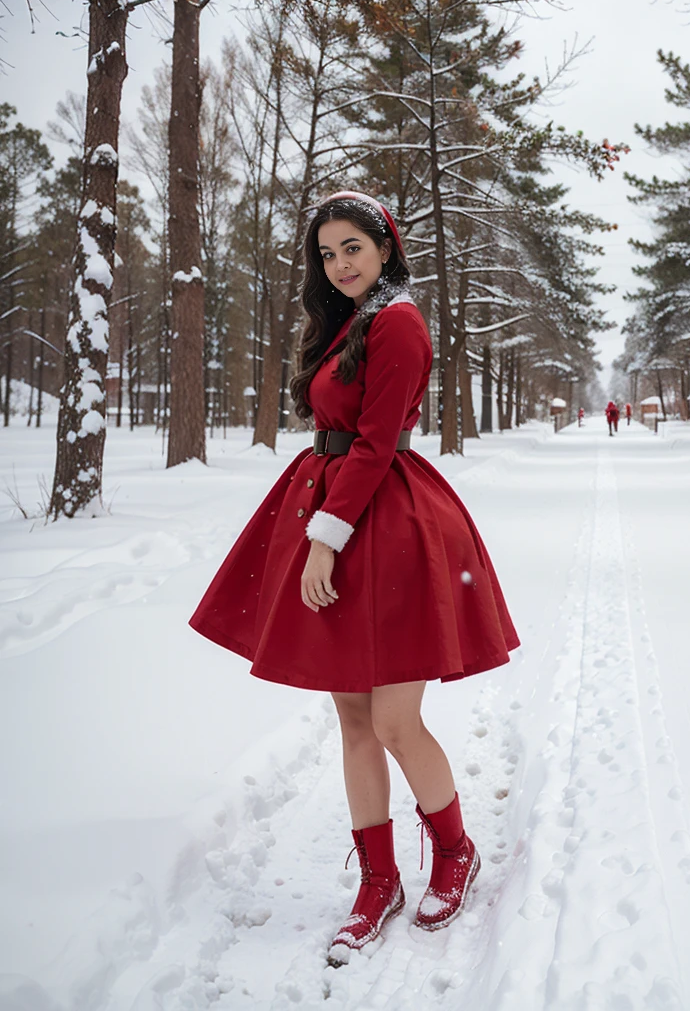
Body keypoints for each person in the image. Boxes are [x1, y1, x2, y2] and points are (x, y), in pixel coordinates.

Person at [188, 191, 520, 965]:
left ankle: (455, 850)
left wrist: (323, 541)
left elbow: (375, 445)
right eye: (327, 253)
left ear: (385, 248)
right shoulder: (349, 322)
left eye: (352, 249)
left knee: (397, 720)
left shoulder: (399, 322)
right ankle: (378, 881)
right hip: (335, 503)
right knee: (353, 719)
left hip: (384, 522)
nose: (339, 264)